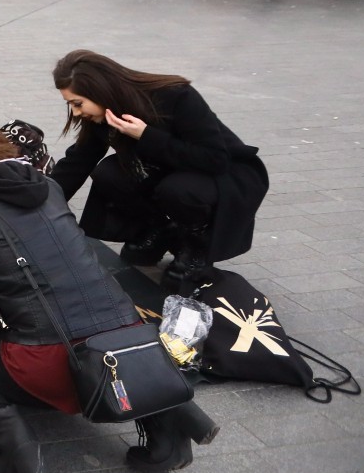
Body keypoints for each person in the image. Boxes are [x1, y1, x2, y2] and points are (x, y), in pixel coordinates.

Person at [0, 115, 220, 473]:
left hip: (52, 363)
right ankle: (165, 420)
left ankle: (7, 429)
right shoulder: (46, 183)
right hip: (135, 344)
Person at [48, 49, 268, 294]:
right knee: (109, 174)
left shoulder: (174, 95)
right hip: (171, 168)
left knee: (178, 190)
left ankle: (197, 248)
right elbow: (79, 160)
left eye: (77, 104)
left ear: (99, 91)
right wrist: (42, 202)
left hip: (224, 174)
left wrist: (146, 135)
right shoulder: (104, 113)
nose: (77, 113)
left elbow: (215, 159)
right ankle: (158, 229)